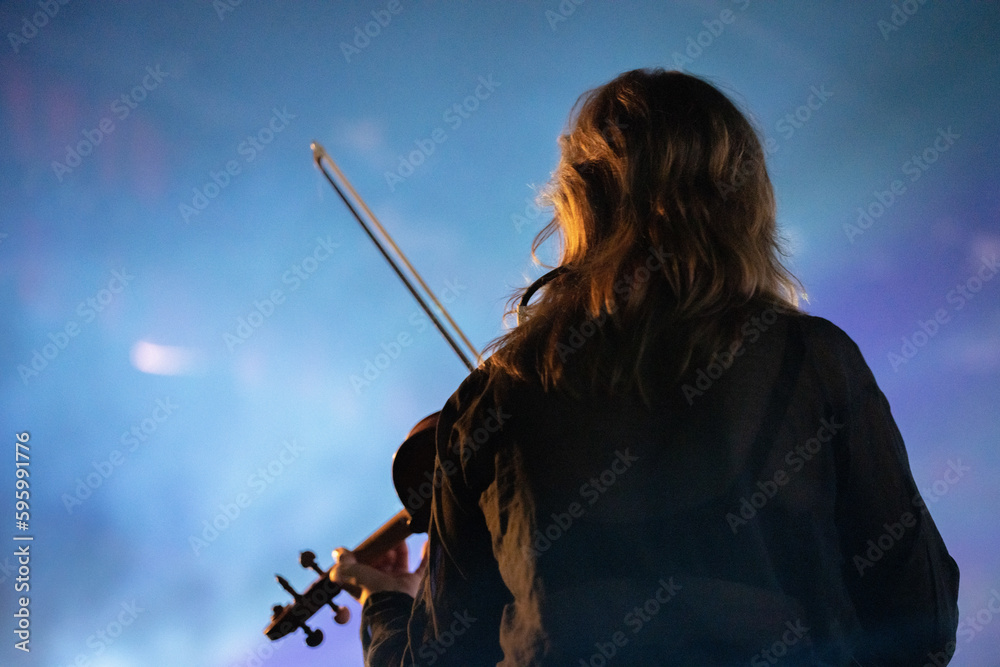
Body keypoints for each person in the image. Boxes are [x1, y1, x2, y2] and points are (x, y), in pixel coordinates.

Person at [331, 68, 960, 666]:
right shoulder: (813, 363)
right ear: (744, 202)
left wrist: (388, 601)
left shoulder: (491, 402)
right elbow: (920, 619)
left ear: (579, 203)